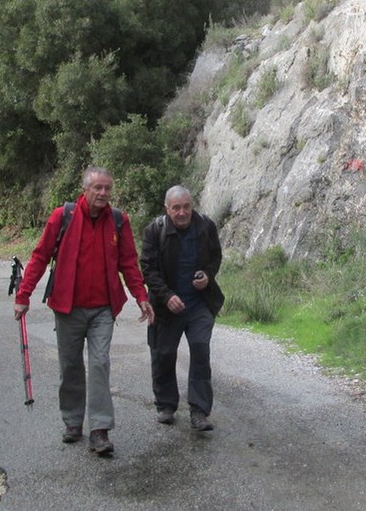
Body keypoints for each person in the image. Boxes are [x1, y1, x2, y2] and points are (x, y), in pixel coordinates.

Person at [13, 166, 155, 457]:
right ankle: (73, 421)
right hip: (68, 308)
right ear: (85, 189)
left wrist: (141, 296)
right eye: (97, 188)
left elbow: (128, 262)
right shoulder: (62, 217)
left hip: (103, 309)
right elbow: (40, 256)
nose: (103, 193)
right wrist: (23, 294)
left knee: (100, 364)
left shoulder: (118, 221)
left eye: (107, 189)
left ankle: (100, 430)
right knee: (71, 367)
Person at [140, 185, 224, 432]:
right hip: (166, 307)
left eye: (186, 206)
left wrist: (207, 275)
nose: (182, 212)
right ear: (167, 209)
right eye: (176, 208)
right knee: (163, 354)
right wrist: (166, 297)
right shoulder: (155, 230)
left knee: (200, 350)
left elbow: (215, 256)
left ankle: (199, 410)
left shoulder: (206, 226)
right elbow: (148, 268)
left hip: (199, 304)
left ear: (192, 205)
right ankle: (166, 405)